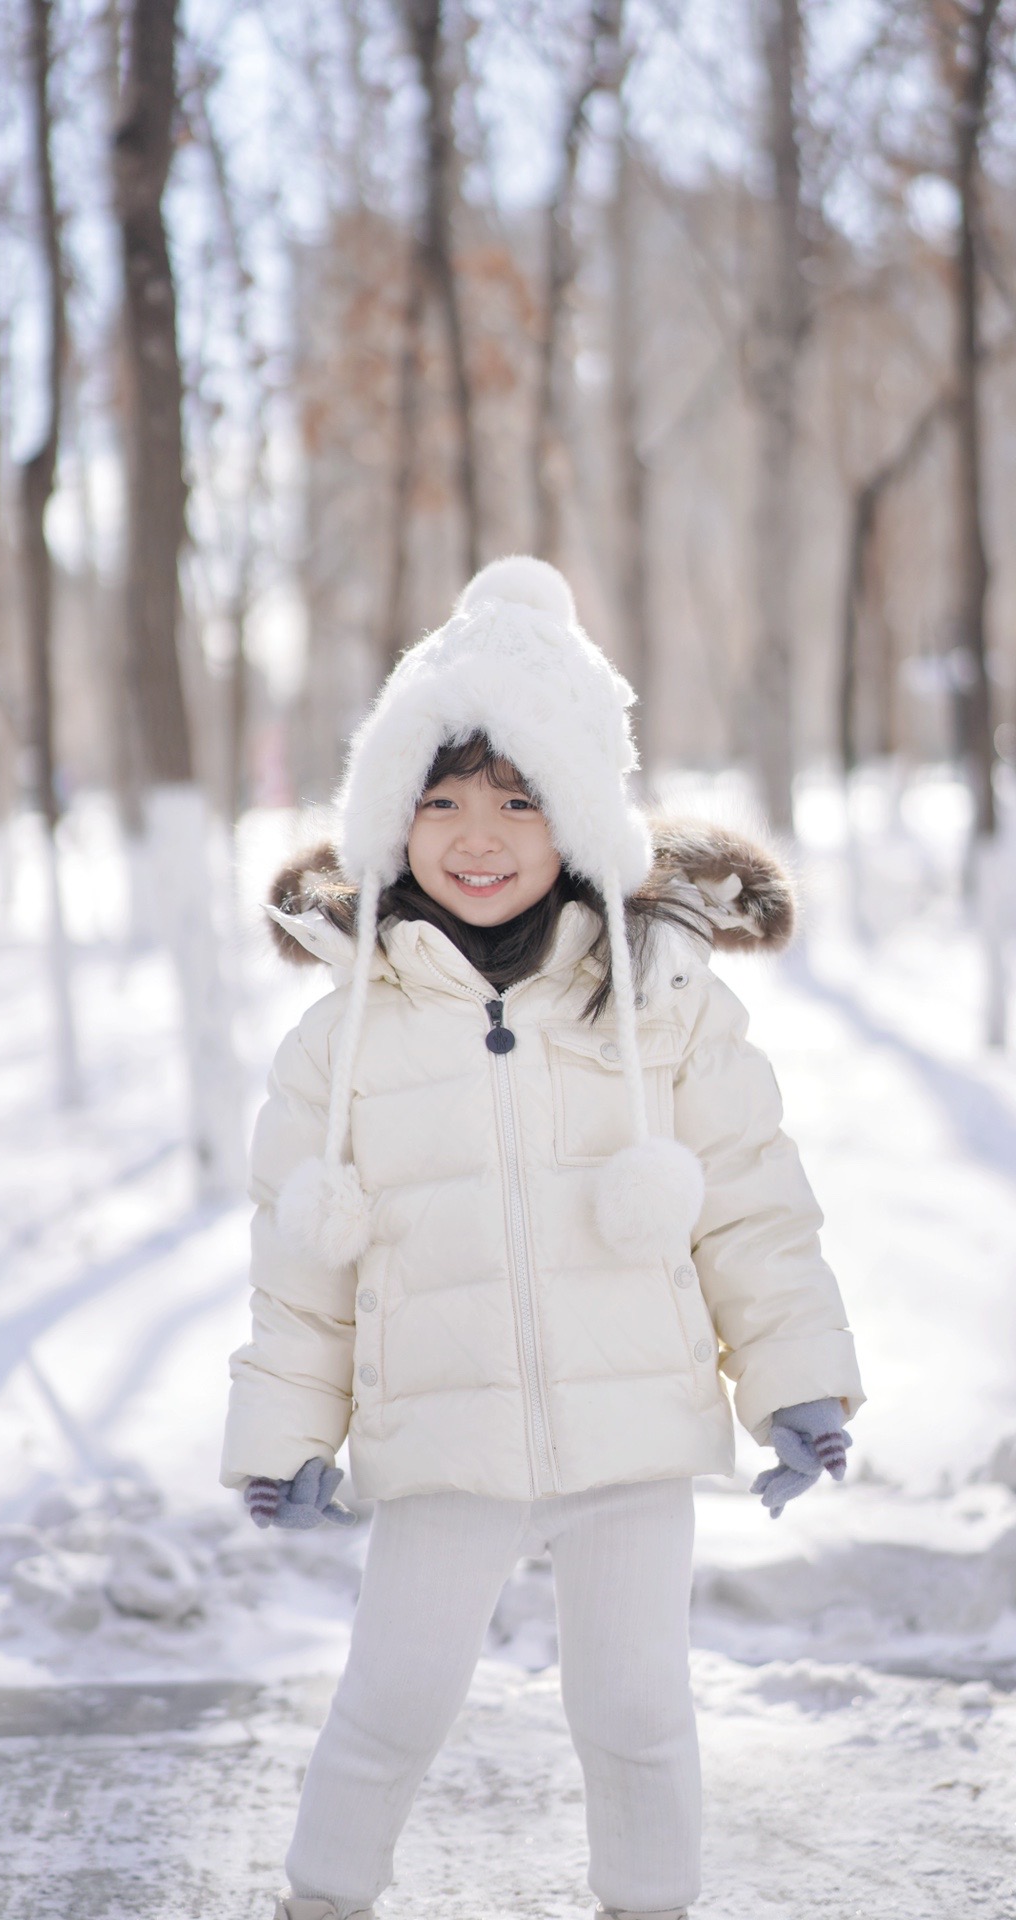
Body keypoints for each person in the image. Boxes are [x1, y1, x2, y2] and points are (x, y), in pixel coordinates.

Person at [221, 556, 863, 1920]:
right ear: (391, 820)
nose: (479, 833)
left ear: (577, 814)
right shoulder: (345, 1037)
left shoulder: (664, 999)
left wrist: (796, 1375)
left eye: (519, 798)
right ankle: (321, 1901)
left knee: (635, 1715)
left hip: (631, 1429)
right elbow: (302, 1264)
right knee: (391, 1703)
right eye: (441, 799)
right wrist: (285, 1432)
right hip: (446, 1437)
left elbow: (752, 1198)